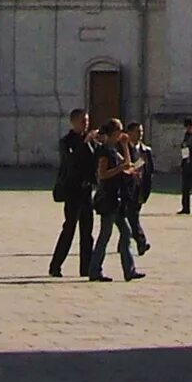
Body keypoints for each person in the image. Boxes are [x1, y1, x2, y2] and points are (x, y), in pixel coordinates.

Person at [88, 119, 145, 281]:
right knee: (105, 235)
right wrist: (119, 169)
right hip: (108, 198)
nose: (122, 134)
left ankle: (129, 271)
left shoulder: (113, 149)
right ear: (114, 133)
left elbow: (127, 164)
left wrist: (126, 146)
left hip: (117, 199)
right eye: (120, 132)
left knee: (125, 232)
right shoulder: (104, 151)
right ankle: (95, 270)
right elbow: (102, 174)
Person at [49, 107, 98, 278]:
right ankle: (55, 266)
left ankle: (86, 268)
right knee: (69, 229)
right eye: (83, 121)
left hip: (86, 191)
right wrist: (85, 143)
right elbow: (71, 161)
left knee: (87, 232)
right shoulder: (67, 142)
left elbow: (96, 161)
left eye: (87, 121)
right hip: (72, 190)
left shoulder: (91, 142)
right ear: (74, 122)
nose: (86, 125)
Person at [124, 121, 153, 255]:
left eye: (141, 131)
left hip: (139, 189)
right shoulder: (123, 149)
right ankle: (141, 242)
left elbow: (149, 172)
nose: (140, 134)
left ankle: (124, 243)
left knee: (131, 216)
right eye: (137, 132)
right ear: (129, 133)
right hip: (126, 189)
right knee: (132, 216)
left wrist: (146, 191)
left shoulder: (146, 151)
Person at [178, 118, 192, 214]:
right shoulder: (187, 136)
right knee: (185, 188)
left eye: (190, 127)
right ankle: (185, 208)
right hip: (186, 164)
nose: (189, 129)